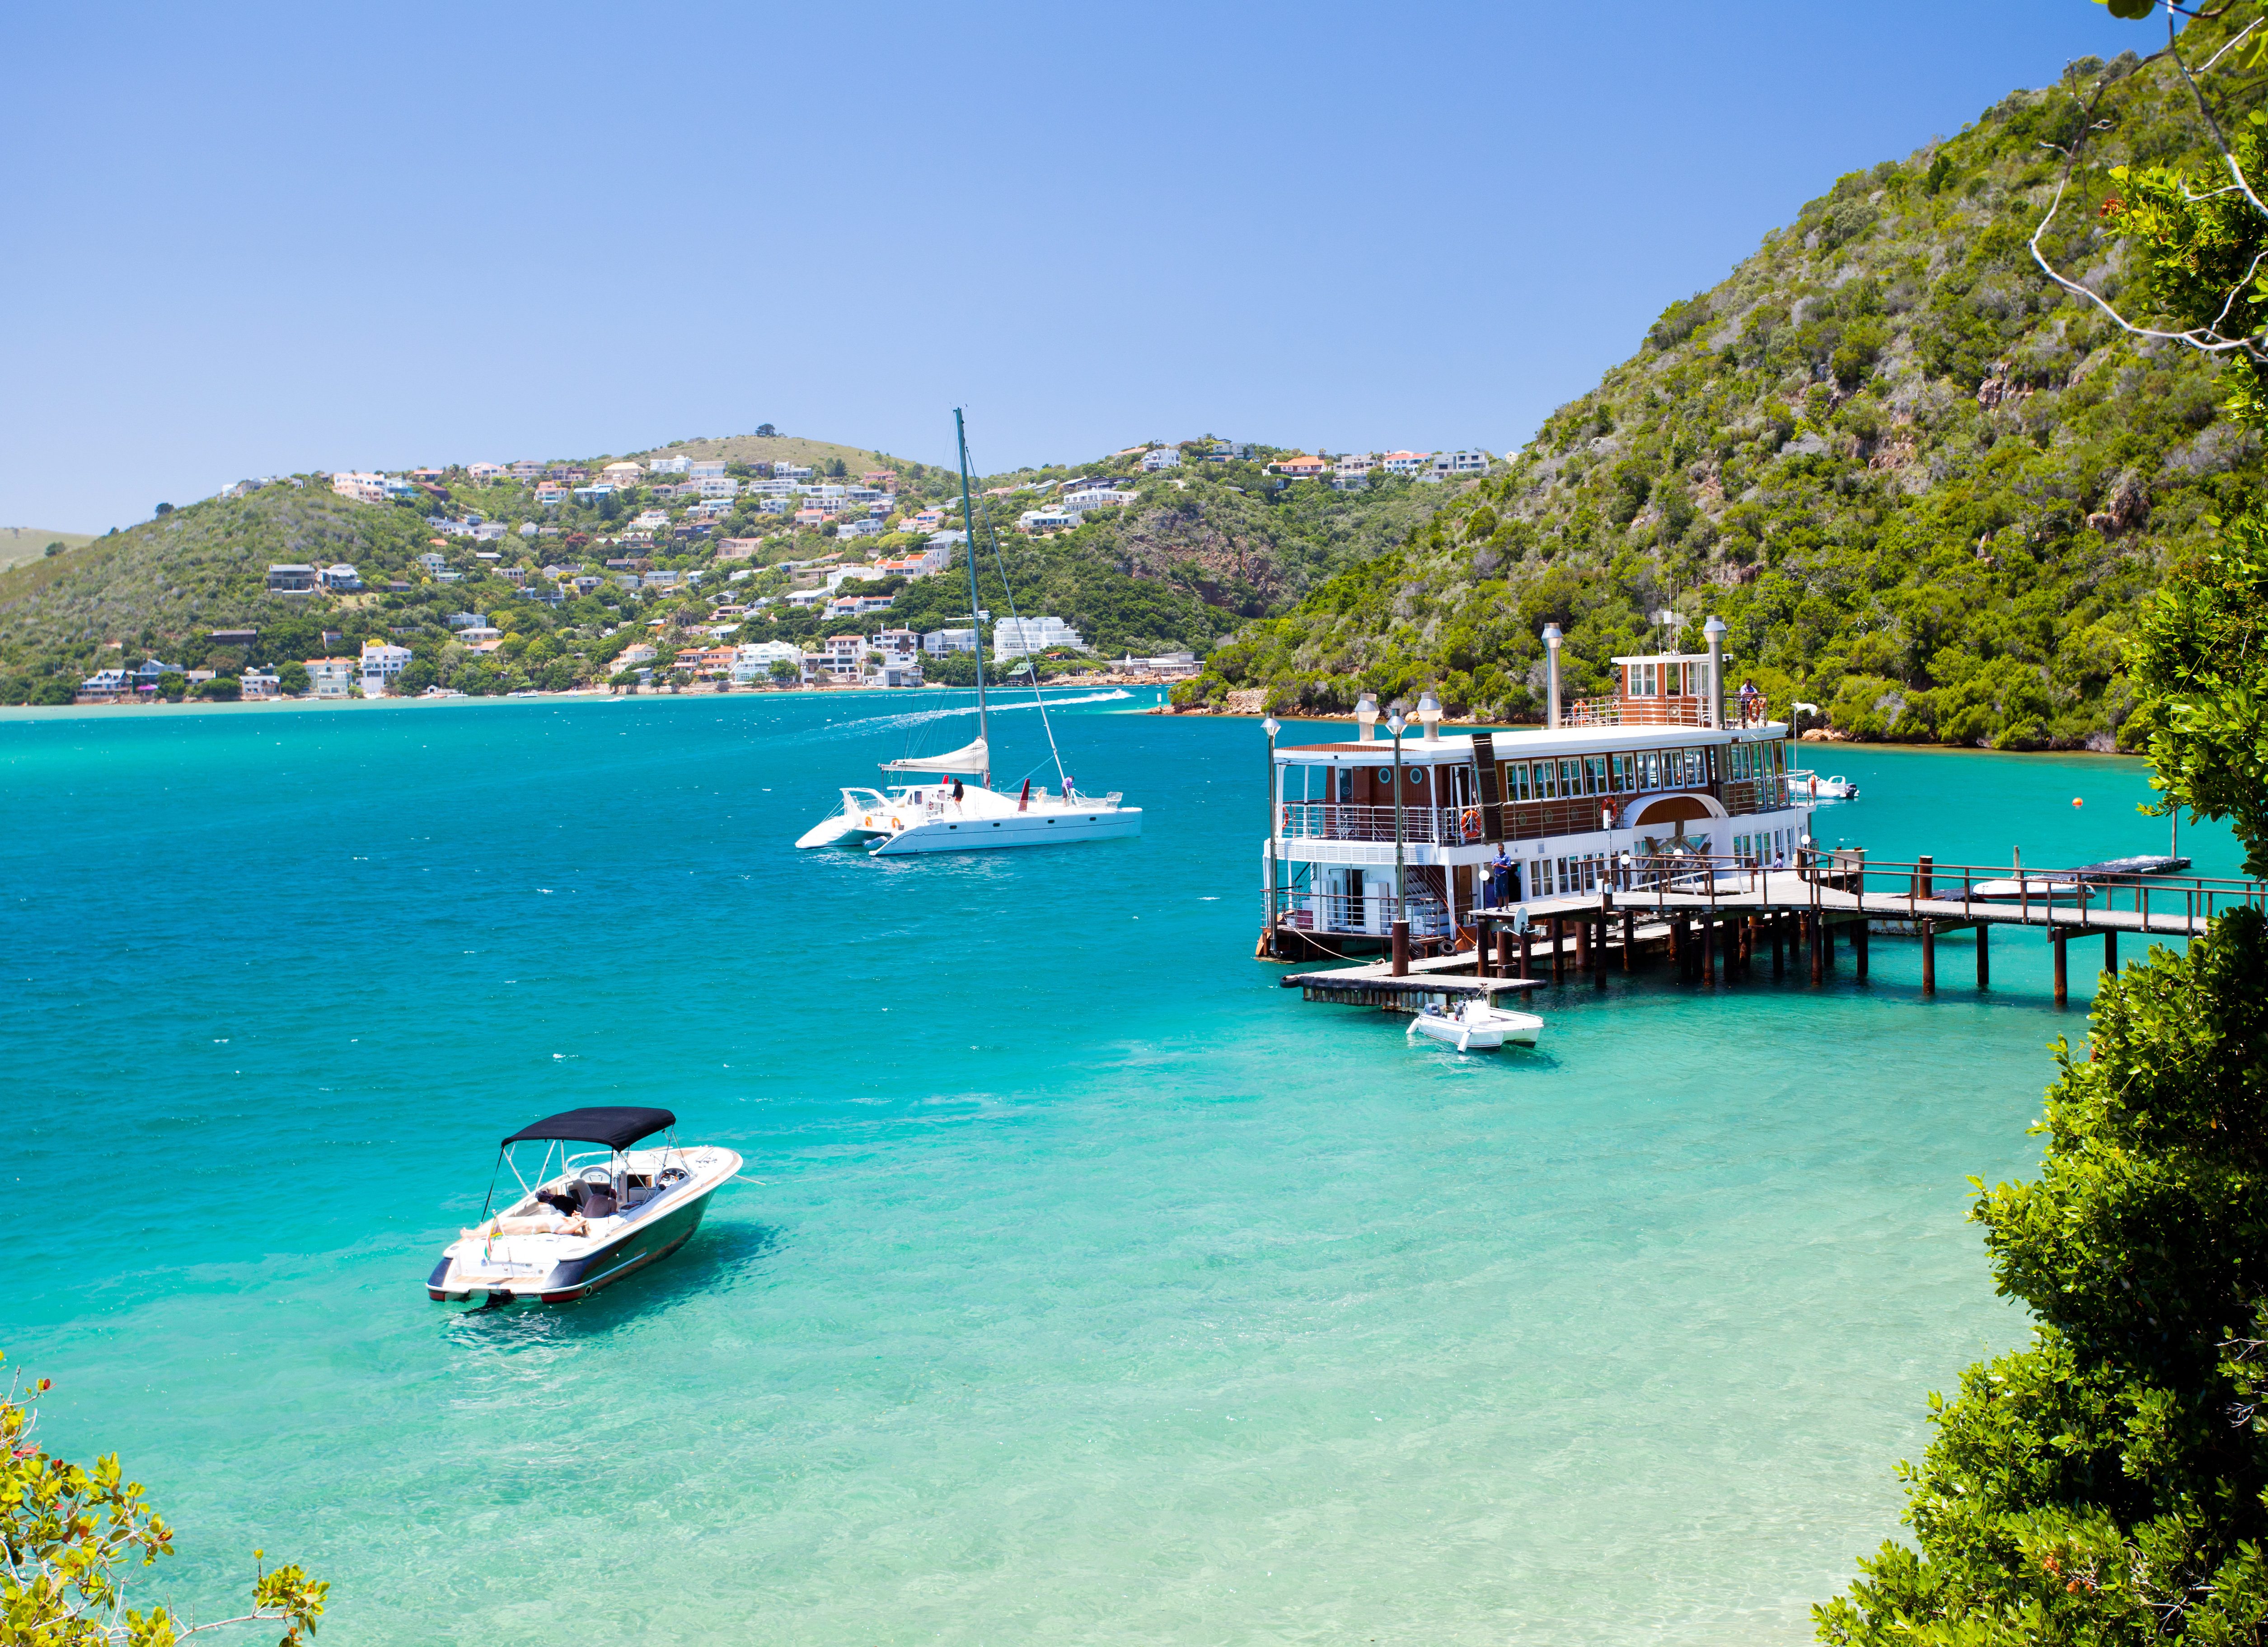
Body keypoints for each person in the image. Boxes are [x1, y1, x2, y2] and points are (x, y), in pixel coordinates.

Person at [1488, 844, 1512, 908]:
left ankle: (1507, 907)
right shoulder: (1496, 857)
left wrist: (1500, 866)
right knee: (1498, 892)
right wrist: (1495, 866)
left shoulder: (1507, 857)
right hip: (1497, 876)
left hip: (1503, 876)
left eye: (1501, 848)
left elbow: (1509, 867)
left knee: (1505, 891)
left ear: (1504, 848)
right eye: (1499, 849)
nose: (1500, 850)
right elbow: (1492, 867)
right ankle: (1499, 907)